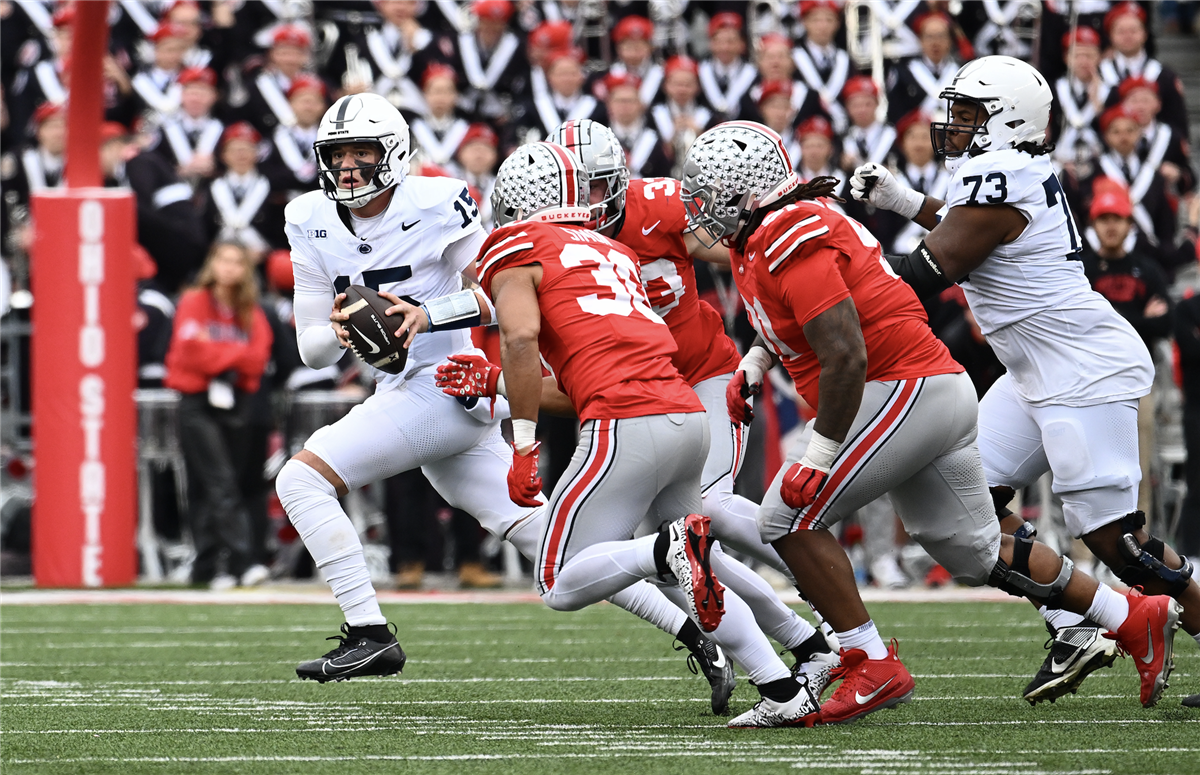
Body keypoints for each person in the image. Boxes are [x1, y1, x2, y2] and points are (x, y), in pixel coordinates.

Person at [681, 119, 1182, 723]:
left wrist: (817, 456)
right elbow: (796, 320)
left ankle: (867, 662)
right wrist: (757, 363)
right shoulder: (770, 230)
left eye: (709, 193)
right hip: (924, 387)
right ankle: (1131, 616)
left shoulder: (792, 230)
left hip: (902, 385)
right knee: (971, 551)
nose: (701, 207)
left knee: (786, 515)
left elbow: (844, 351)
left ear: (748, 191)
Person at [275, 93, 734, 709]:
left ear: (394, 152)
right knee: (553, 548)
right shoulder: (307, 216)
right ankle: (695, 627)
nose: (350, 166)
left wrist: (423, 316)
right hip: (410, 391)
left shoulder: (436, 202)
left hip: (445, 383)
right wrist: (347, 328)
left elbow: (499, 295)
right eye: (339, 153)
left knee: (300, 483)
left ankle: (369, 630)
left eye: (362, 151)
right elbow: (311, 352)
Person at [849, 54, 1198, 707]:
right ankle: (1072, 622)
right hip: (1032, 366)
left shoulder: (999, 174)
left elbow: (937, 264)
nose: (952, 125)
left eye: (969, 113)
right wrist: (903, 200)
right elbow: (965, 227)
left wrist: (841, 252)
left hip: (1078, 367)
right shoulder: (1007, 170)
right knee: (965, 503)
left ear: (1007, 121)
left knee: (1120, 544)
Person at [164, 241, 273, 588]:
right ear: (213, 264)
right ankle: (240, 563)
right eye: (223, 260)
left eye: (236, 262)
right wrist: (234, 354)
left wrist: (218, 353)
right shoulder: (193, 302)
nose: (229, 268)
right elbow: (187, 351)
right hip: (196, 402)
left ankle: (206, 566)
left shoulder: (250, 309)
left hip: (235, 401)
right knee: (218, 481)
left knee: (214, 485)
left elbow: (258, 359)